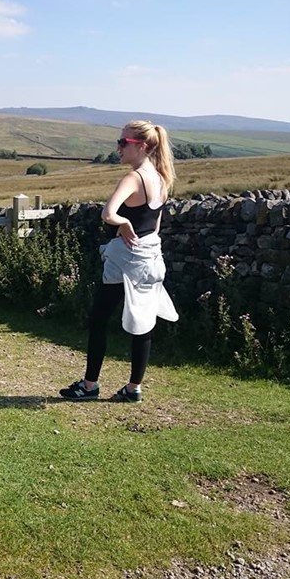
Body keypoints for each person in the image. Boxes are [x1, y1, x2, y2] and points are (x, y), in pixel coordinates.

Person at [60, 120, 178, 403]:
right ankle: (133, 388)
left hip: (123, 259)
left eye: (124, 143)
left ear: (143, 146)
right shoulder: (162, 179)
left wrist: (123, 222)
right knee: (144, 322)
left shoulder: (133, 178)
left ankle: (89, 386)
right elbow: (156, 226)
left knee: (98, 318)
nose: (118, 147)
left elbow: (108, 213)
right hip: (149, 257)